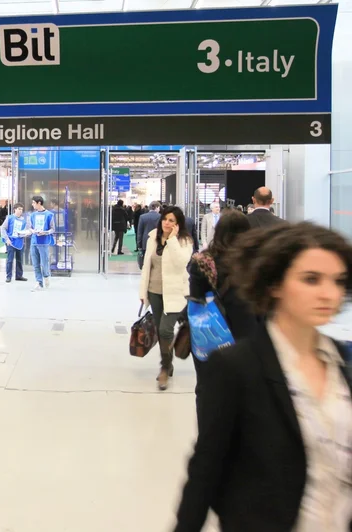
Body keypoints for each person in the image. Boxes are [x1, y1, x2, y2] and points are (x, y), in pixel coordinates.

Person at [175, 222, 352, 532]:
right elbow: (206, 470)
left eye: (337, 281)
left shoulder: (344, 364)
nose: (329, 293)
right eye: (311, 279)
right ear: (275, 283)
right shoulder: (235, 368)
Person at [188, 209, 257, 418]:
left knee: (208, 387)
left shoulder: (202, 262)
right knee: (246, 389)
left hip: (211, 333)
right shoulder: (255, 262)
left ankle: (210, 432)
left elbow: (196, 299)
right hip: (247, 334)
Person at [139, 206, 193, 390]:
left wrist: (172, 240)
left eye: (172, 221)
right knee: (161, 330)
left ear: (178, 225)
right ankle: (167, 363)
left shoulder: (184, 241)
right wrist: (142, 292)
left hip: (175, 293)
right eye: (165, 219)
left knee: (165, 330)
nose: (167, 223)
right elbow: (147, 267)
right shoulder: (153, 237)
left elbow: (181, 263)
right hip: (154, 291)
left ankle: (164, 368)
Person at [30, 196, 55, 291]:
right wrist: (32, 231)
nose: (32, 204)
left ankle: (46, 276)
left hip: (44, 242)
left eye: (33, 203)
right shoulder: (32, 215)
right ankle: (39, 282)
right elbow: (30, 227)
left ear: (39, 203)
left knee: (44, 263)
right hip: (34, 241)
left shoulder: (49, 215)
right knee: (35, 263)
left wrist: (45, 232)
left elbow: (53, 229)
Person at [1, 203, 29, 283]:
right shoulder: (10, 218)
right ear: (15, 209)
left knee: (19, 260)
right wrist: (7, 239)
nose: (20, 211)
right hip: (11, 242)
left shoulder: (24, 220)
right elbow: (3, 228)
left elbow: (25, 230)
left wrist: (26, 233)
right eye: (19, 209)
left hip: (20, 242)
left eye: (21, 209)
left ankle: (19, 275)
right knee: (10, 260)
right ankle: (8, 276)